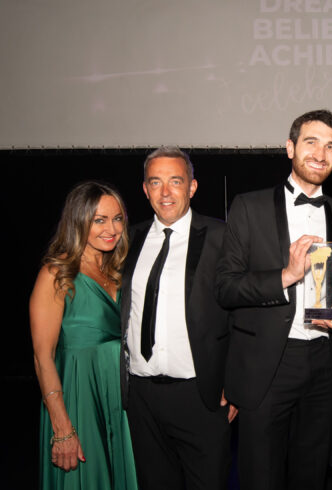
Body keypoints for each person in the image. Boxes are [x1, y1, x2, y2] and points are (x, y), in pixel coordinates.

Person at [216, 109, 332, 490]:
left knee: (311, 475)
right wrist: (287, 276)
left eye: (331, 146)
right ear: (290, 147)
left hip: (324, 364)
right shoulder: (249, 206)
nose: (321, 154)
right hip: (267, 365)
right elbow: (226, 287)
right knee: (261, 475)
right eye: (311, 142)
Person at [119, 146, 236, 490]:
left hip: (201, 397)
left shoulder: (221, 237)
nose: (166, 192)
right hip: (141, 398)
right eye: (156, 182)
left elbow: (242, 313)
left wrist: (235, 384)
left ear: (192, 187)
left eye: (175, 181)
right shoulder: (129, 238)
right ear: (145, 189)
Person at [30, 181, 138, 489]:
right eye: (99, 220)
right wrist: (62, 426)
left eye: (117, 218)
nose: (112, 228)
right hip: (78, 397)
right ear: (78, 221)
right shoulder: (57, 273)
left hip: (121, 399)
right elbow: (42, 358)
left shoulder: (118, 272)